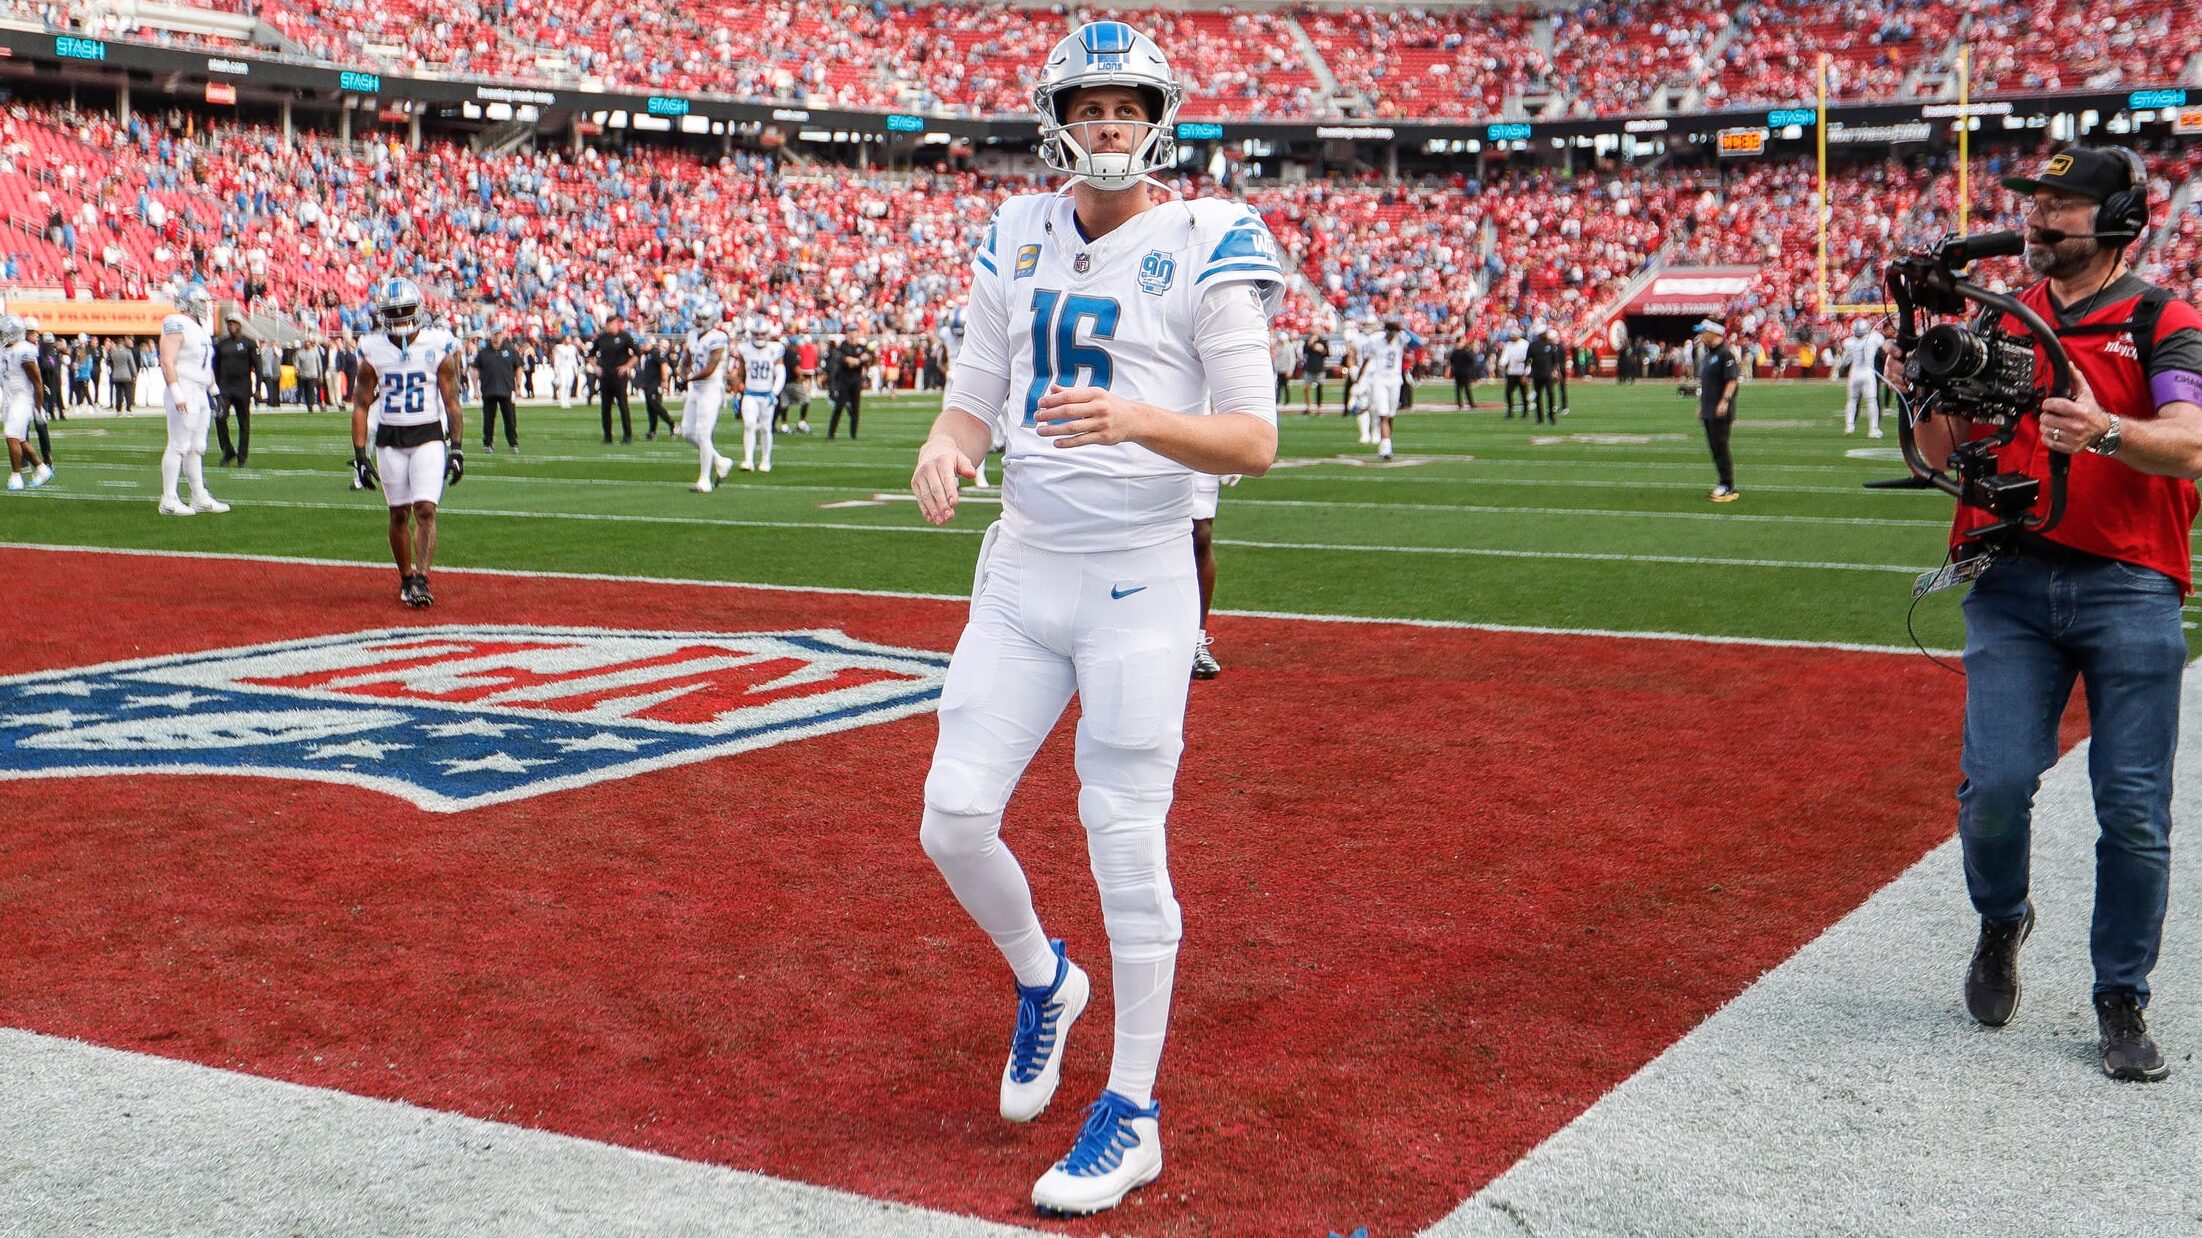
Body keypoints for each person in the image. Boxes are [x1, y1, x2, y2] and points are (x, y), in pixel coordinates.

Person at [906, 21, 1280, 1215]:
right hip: (1023, 566)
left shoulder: (1206, 231)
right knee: (953, 816)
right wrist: (944, 446)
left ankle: (1134, 1109)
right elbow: (974, 399)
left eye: (1128, 105)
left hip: (1136, 574)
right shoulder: (1016, 231)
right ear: (1058, 116)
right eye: (1091, 104)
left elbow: (1256, 439)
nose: (1109, 123)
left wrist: (1137, 422)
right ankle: (1044, 979)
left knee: (1127, 846)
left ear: (1157, 117)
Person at [1889, 146, 2202, 1083]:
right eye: (2034, 203)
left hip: (2131, 581)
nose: (2038, 221)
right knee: (1992, 783)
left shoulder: (2161, 317)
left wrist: (2105, 429)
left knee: (2135, 812)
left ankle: (2121, 995)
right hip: (2012, 578)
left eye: (2062, 206)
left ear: (2116, 219)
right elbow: (1938, 449)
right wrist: (1921, 389)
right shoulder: (1994, 321)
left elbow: (2189, 445)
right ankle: (2001, 920)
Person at [351, 278, 463, 608]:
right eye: (393, 312)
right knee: (398, 513)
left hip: (427, 434)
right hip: (390, 437)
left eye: (404, 310)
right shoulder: (373, 349)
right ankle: (405, 578)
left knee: (425, 508)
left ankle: (423, 579)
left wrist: (456, 446)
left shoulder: (438, 345)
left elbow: (452, 401)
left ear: (418, 310)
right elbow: (361, 404)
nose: (399, 317)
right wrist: (360, 453)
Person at [157, 285, 227, 515]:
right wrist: (176, 391)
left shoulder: (199, 328)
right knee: (178, 445)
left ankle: (198, 495)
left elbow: (204, 365)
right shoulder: (175, 322)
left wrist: (214, 390)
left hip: (199, 390)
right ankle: (168, 499)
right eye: (201, 301)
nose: (205, 306)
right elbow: (167, 360)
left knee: (197, 447)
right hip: (184, 388)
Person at [680, 313, 735, 491]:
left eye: (703, 318)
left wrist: (689, 377)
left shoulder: (718, 337)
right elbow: (687, 358)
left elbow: (711, 368)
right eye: (697, 317)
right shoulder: (692, 335)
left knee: (703, 433)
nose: (698, 321)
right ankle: (720, 460)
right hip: (696, 388)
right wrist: (684, 371)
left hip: (710, 388)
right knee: (687, 432)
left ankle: (704, 480)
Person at [1693, 318, 1741, 501]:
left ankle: (1727, 484)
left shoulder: (1724, 354)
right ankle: (1723, 481)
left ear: (1714, 332)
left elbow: (1732, 380)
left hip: (1720, 411)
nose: (1701, 335)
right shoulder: (1708, 355)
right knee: (1715, 448)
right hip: (1709, 410)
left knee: (1721, 447)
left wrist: (1725, 401)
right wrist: (1703, 406)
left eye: (1704, 331)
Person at [2, 317, 52, 491]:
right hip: (9, 398)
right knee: (20, 439)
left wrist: (38, 405)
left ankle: (16, 475)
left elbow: (37, 380)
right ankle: (42, 469)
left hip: (23, 397)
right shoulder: (3, 350)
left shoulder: (24, 349)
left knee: (11, 435)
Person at [733, 317, 784, 473]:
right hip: (750, 393)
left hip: (767, 394)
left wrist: (774, 393)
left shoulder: (775, 349)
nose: (760, 337)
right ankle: (748, 460)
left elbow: (780, 373)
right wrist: (736, 393)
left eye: (762, 334)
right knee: (748, 425)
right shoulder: (745, 349)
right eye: (756, 334)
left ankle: (765, 460)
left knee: (766, 428)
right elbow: (740, 372)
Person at [213, 312, 257, 466]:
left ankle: (242, 456)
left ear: (239, 325)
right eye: (228, 324)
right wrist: (216, 386)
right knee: (220, 418)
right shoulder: (222, 344)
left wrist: (257, 388)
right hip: (225, 388)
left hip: (243, 387)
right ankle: (228, 450)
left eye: (233, 323)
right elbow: (216, 366)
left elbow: (258, 366)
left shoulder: (249, 343)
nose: (230, 326)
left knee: (243, 423)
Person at [591, 314, 640, 443]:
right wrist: (596, 367)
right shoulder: (601, 338)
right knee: (605, 407)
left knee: (623, 405)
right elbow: (590, 355)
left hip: (619, 376)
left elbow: (636, 354)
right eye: (608, 324)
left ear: (616, 324)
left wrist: (627, 366)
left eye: (612, 324)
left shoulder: (625, 337)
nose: (610, 327)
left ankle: (627, 435)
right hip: (605, 375)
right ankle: (607, 436)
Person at [474, 325, 521, 452]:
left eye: (499, 333)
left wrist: (518, 385)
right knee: (488, 420)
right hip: (489, 390)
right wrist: (476, 388)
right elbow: (476, 370)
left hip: (506, 390)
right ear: (491, 335)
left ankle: (513, 443)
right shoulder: (483, 353)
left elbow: (518, 368)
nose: (497, 336)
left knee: (510, 419)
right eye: (495, 334)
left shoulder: (510, 351)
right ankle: (488, 443)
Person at [1837, 318, 1886, 437]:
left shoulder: (1848, 342)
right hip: (1868, 372)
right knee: (1871, 401)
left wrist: (1841, 369)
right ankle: (1873, 429)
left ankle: (1849, 426)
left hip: (1854, 373)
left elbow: (1845, 361)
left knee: (1852, 400)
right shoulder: (1874, 338)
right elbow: (1883, 344)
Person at [826, 333, 870, 439]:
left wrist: (857, 361)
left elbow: (865, 359)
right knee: (839, 406)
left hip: (856, 380)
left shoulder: (861, 347)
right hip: (844, 380)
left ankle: (853, 434)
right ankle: (831, 433)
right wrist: (851, 360)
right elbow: (841, 358)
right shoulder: (843, 346)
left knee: (855, 408)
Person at [637, 337, 674, 441]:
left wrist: (664, 380)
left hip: (655, 385)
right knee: (651, 410)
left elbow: (664, 365)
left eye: (644, 343)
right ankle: (652, 431)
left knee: (657, 407)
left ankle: (672, 424)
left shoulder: (656, 353)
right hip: (649, 385)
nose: (643, 346)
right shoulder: (648, 355)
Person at [1499, 328, 1531, 417]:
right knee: (1508, 392)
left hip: (1522, 372)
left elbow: (1528, 359)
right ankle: (1510, 411)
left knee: (1524, 393)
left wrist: (1527, 372)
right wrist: (1502, 363)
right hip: (1511, 372)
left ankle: (1525, 411)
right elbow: (1505, 356)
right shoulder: (1508, 345)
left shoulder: (1525, 344)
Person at [1300, 327, 1330, 413]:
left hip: (1319, 367)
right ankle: (1307, 406)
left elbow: (1327, 354)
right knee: (1306, 387)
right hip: (1309, 366)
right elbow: (1304, 351)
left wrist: (1322, 350)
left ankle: (1319, 407)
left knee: (1319, 387)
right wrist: (1311, 343)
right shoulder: (1307, 341)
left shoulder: (1323, 341)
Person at [295, 334, 328, 413]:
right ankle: (308, 405)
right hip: (303, 375)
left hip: (313, 374)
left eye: (308, 343)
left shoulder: (315, 352)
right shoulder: (299, 353)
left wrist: (320, 374)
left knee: (311, 389)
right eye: (306, 343)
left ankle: (312, 404)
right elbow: (297, 363)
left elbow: (319, 363)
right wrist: (297, 370)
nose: (307, 344)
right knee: (305, 390)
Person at [106, 335, 137, 412]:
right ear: (123, 343)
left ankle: (118, 409)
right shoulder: (128, 352)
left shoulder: (113, 353)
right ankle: (128, 408)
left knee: (118, 393)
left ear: (117, 344)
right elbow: (132, 364)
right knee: (128, 393)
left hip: (116, 375)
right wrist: (134, 374)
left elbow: (109, 363)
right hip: (126, 375)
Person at [1449, 334, 1479, 408]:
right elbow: (1472, 360)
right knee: (1466, 388)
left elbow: (1451, 361)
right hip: (1465, 372)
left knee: (1459, 388)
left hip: (1458, 371)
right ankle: (1471, 403)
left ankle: (1460, 403)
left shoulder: (1454, 352)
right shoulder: (1465, 351)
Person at [552, 333, 581, 409]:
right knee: (563, 384)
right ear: (564, 340)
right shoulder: (559, 347)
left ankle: (567, 400)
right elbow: (556, 359)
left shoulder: (572, 348)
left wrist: (576, 369)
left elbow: (574, 359)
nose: (569, 340)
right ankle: (562, 401)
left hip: (570, 368)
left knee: (569, 384)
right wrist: (556, 369)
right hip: (562, 368)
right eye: (568, 338)